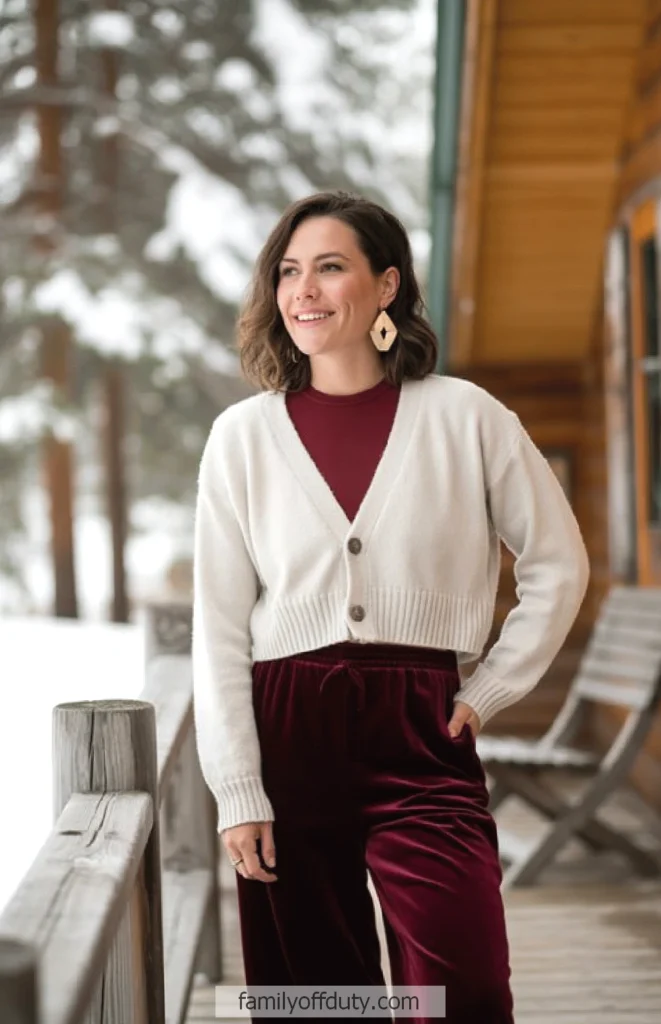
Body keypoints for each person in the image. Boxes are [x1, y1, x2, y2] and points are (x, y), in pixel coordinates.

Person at [192, 191, 590, 1023]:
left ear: (385, 287)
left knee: (464, 987)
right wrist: (238, 790)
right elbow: (220, 626)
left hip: (422, 728)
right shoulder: (241, 436)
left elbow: (557, 561)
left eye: (329, 267)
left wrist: (491, 690)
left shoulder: (465, 417)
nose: (303, 289)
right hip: (287, 727)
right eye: (288, 272)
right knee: (315, 999)